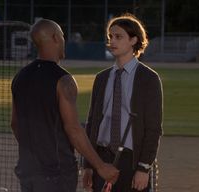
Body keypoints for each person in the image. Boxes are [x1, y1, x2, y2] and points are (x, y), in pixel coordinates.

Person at [11, 19, 119, 192]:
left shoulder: (20, 77)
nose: (63, 40)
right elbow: (74, 130)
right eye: (62, 35)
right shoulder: (63, 80)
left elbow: (15, 125)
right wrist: (100, 166)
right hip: (56, 173)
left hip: (27, 170)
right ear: (54, 38)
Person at [83, 13, 163, 192]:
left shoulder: (148, 78)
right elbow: (92, 123)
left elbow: (153, 128)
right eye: (110, 36)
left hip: (131, 160)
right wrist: (88, 164)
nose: (112, 41)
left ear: (134, 40)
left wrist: (143, 168)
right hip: (101, 158)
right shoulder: (101, 78)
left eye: (118, 37)